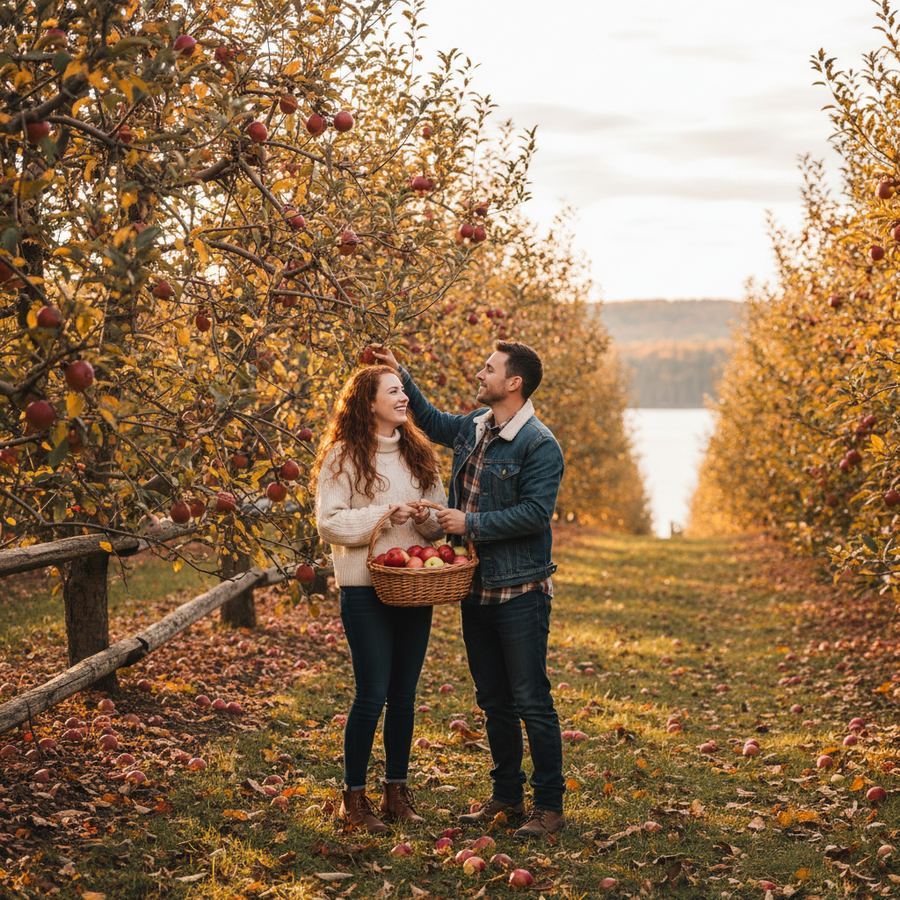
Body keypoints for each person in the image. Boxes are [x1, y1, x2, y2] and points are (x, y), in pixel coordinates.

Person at [373, 341, 566, 839]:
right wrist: (402, 375)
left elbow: (534, 513)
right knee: (493, 700)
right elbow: (433, 422)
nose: (480, 373)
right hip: (475, 587)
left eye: (489, 368)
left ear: (514, 382)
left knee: (531, 699)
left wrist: (468, 521)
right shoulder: (478, 426)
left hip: (520, 590)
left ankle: (549, 807)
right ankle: (506, 796)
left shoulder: (538, 444)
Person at [313, 365, 446, 833]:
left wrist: (428, 519)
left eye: (403, 390)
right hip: (364, 589)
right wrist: (384, 517)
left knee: (404, 696)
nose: (403, 397)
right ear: (369, 402)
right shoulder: (343, 457)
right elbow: (329, 522)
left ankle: (396, 791)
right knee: (371, 693)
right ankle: (354, 799)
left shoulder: (418, 453)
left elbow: (435, 526)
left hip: (414, 586)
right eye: (394, 391)